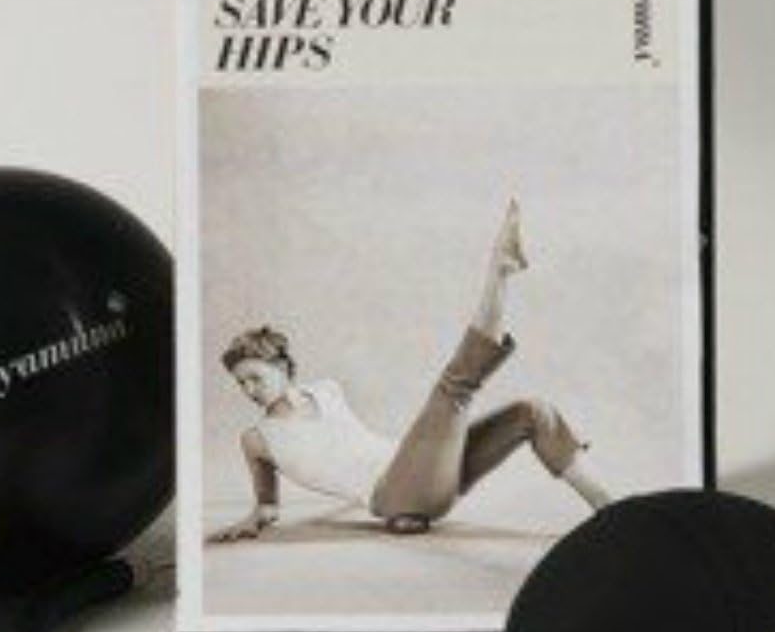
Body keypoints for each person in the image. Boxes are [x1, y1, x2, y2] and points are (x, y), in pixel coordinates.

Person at [209, 201, 613, 543]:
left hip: (424, 473)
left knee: (532, 412)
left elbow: (347, 449)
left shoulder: (327, 391)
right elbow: (267, 509)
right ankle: (499, 272)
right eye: (240, 383)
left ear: (282, 367)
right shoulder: (257, 439)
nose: (248, 389)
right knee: (456, 387)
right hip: (390, 494)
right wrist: (251, 520)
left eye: (255, 377)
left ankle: (609, 511)